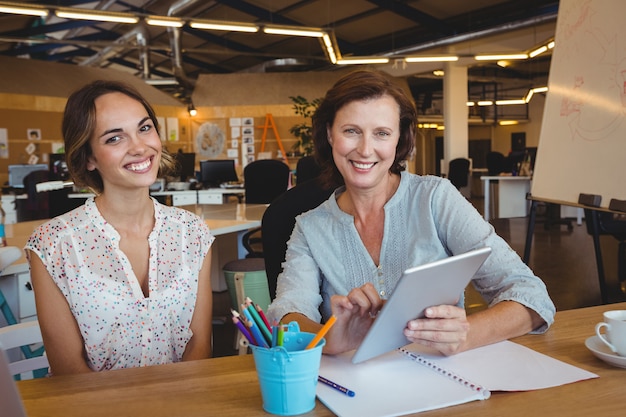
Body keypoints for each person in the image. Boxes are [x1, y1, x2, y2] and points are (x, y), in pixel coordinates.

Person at [267, 70, 555, 356]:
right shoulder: (310, 227)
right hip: (354, 388)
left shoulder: (436, 199)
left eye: (382, 133)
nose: (366, 149)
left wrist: (466, 334)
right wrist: (330, 339)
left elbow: (532, 296)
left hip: (444, 383)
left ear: (399, 140)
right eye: (351, 131)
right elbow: (287, 315)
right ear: (330, 134)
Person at [25, 80, 214, 375]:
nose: (139, 147)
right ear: (88, 157)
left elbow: (200, 347)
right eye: (115, 138)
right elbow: (70, 371)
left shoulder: (193, 233)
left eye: (144, 128)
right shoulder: (53, 245)